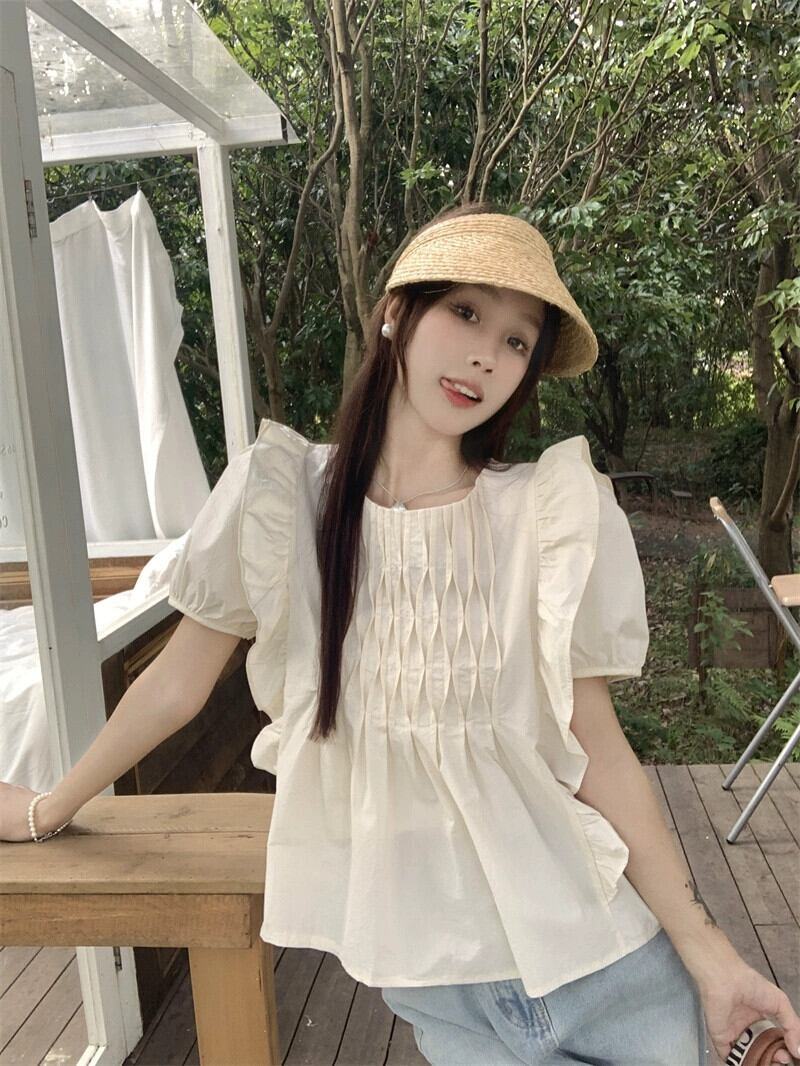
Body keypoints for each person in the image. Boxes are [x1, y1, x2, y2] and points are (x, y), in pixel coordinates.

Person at [2, 203, 799, 1066]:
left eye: (516, 340)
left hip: (598, 960)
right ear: (396, 314)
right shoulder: (281, 500)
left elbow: (596, 745)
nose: (486, 354)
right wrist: (50, 806)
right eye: (465, 311)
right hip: (437, 992)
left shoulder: (544, 513)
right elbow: (172, 687)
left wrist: (713, 956)